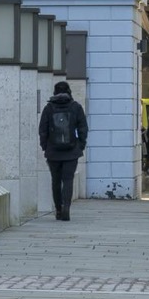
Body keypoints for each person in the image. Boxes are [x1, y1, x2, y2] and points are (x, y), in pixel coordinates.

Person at [38, 79, 88, 221]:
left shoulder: (49, 108)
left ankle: (58, 209)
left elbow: (43, 130)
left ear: (54, 92)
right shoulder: (75, 107)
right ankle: (66, 207)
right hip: (71, 152)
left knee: (56, 180)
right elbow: (83, 128)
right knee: (68, 180)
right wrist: (80, 145)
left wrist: (45, 147)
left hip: (53, 152)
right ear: (69, 92)